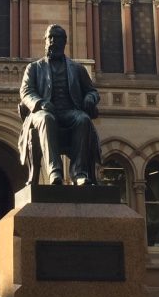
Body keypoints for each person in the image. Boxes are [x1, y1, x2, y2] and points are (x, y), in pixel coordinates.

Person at [18, 24, 101, 185]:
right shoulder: (34, 68)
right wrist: (40, 103)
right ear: (45, 41)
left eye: (57, 38)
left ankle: (79, 173)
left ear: (64, 42)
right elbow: (26, 92)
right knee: (46, 118)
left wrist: (90, 98)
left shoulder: (77, 69)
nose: (52, 41)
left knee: (83, 119)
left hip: (69, 112)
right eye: (49, 37)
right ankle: (54, 172)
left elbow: (92, 91)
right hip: (43, 112)